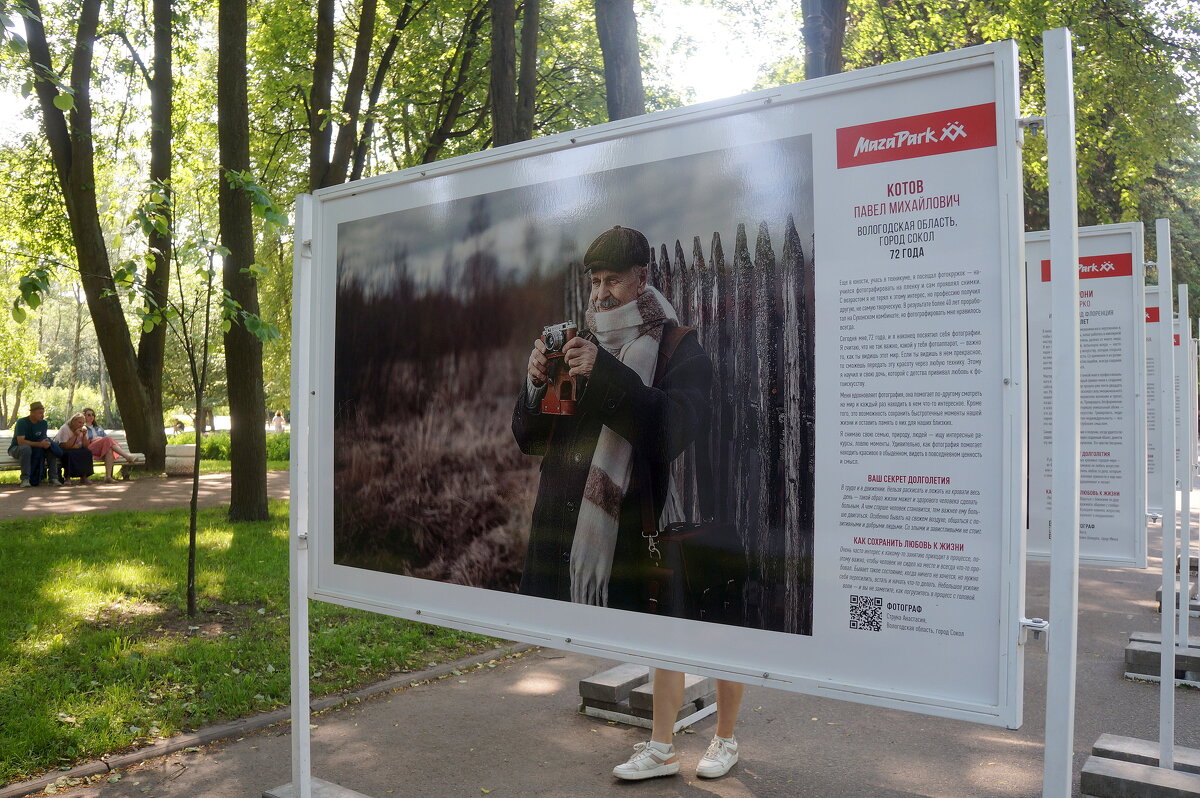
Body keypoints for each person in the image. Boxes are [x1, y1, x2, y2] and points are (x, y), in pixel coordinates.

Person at [511, 225, 745, 780]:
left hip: (648, 527)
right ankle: (663, 749)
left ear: (643, 277)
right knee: (658, 640)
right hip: (571, 533)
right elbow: (531, 440)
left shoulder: (677, 347)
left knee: (712, 636)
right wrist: (534, 385)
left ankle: (726, 737)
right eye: (595, 282)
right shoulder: (575, 343)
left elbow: (672, 433)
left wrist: (606, 373)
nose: (600, 293)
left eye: (613, 280)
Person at [7, 401, 63, 487]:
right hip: (17, 448)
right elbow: (21, 442)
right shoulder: (22, 422)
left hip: (34, 448)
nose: (42, 415)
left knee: (50, 448)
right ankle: (25, 479)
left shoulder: (43, 423)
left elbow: (42, 438)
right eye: (40, 413)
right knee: (26, 448)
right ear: (32, 413)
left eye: (43, 413)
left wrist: (46, 444)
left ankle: (53, 478)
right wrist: (39, 444)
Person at [81, 408, 136, 482]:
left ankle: (108, 477)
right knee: (107, 439)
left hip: (101, 447)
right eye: (89, 415)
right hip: (90, 448)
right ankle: (127, 456)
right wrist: (95, 440)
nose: (91, 416)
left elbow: (105, 438)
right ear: (84, 416)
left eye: (93, 415)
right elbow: (85, 443)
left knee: (109, 450)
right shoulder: (83, 428)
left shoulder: (98, 427)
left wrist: (100, 439)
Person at [54, 413, 95, 485]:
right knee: (69, 454)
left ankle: (84, 477)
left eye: (83, 423)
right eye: (79, 422)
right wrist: (75, 435)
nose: (81, 425)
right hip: (63, 449)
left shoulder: (83, 429)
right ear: (73, 421)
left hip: (77, 448)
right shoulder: (65, 428)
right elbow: (64, 445)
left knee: (87, 452)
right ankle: (67, 477)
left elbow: (86, 446)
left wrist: (84, 435)